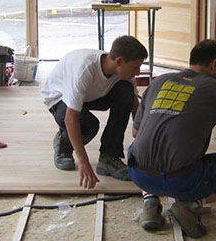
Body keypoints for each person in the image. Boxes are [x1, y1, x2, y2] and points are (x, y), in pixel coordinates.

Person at [127, 39, 216, 237]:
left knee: (135, 147)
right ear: (215, 65)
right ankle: (189, 204)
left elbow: (136, 133)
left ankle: (150, 202)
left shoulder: (159, 82)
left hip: (140, 175)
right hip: (183, 180)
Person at [41, 35, 148, 189]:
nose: (137, 72)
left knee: (126, 92)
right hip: (59, 97)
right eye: (135, 66)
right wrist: (83, 162)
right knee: (88, 125)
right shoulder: (84, 70)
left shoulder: (122, 73)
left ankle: (109, 158)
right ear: (119, 61)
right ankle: (63, 145)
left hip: (90, 94)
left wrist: (142, 136)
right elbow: (71, 118)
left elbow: (134, 105)